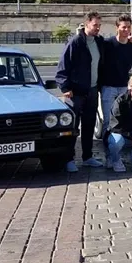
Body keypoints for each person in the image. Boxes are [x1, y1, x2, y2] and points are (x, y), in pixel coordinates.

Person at [56, 11, 105, 171]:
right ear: (86, 24)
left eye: (99, 25)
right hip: (76, 92)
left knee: (89, 125)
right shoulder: (75, 43)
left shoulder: (99, 42)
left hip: (92, 90)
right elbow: (63, 67)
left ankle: (87, 157)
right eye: (95, 25)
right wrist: (65, 88)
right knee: (72, 127)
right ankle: (69, 159)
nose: (97, 28)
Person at [100, 14, 132, 145]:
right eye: (123, 27)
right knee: (108, 122)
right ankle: (108, 152)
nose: (126, 30)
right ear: (117, 28)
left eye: (128, 27)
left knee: (123, 121)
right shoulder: (107, 44)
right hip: (108, 88)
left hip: (123, 89)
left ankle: (122, 147)